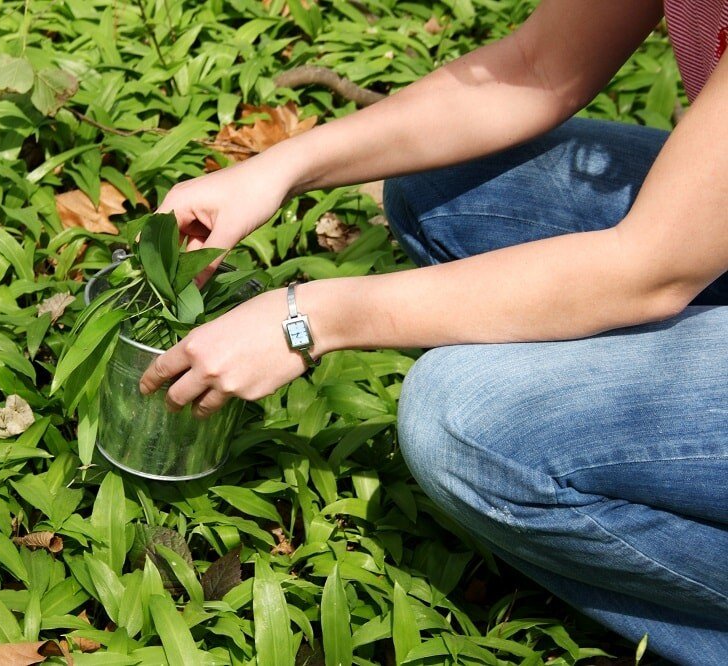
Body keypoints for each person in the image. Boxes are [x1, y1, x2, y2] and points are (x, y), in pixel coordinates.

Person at [137, 1, 728, 662]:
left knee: (462, 421)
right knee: (444, 187)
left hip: (662, 256)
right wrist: (276, 169)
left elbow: (646, 268)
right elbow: (538, 66)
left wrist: (304, 320)